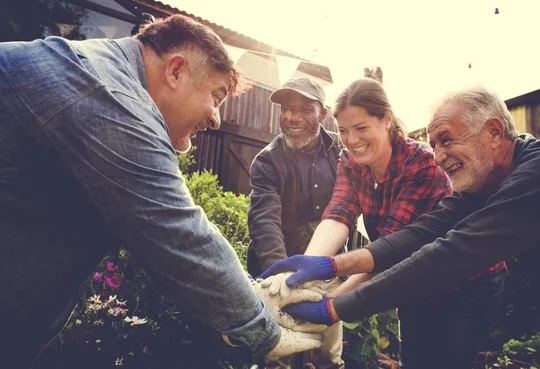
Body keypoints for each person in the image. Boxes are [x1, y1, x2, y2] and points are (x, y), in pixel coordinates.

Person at [0, 14, 322, 368]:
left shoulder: (105, 77)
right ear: (175, 71)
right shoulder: (110, 94)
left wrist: (250, 292)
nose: (216, 119)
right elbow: (177, 231)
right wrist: (263, 330)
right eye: (216, 96)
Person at [263, 87, 540, 369]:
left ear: (494, 133)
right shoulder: (484, 182)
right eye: (433, 143)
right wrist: (329, 264)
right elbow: (422, 233)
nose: (437, 156)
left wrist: (334, 307)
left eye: (446, 140)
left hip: (466, 288)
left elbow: (454, 253)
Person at [284, 78, 507, 368]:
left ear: (387, 119)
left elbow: (392, 248)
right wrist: (302, 271)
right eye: (343, 131)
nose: (352, 140)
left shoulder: (421, 164)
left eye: (361, 128)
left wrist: (330, 305)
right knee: (415, 359)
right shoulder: (350, 162)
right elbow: (338, 214)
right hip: (414, 275)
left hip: (467, 281)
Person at [247, 76, 344, 368]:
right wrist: (280, 276)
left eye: (304, 109)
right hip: (279, 268)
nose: (292, 117)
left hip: (326, 268)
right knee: (277, 353)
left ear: (323, 113)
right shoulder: (267, 162)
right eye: (287, 109)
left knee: (327, 353)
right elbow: (265, 220)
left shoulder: (341, 153)